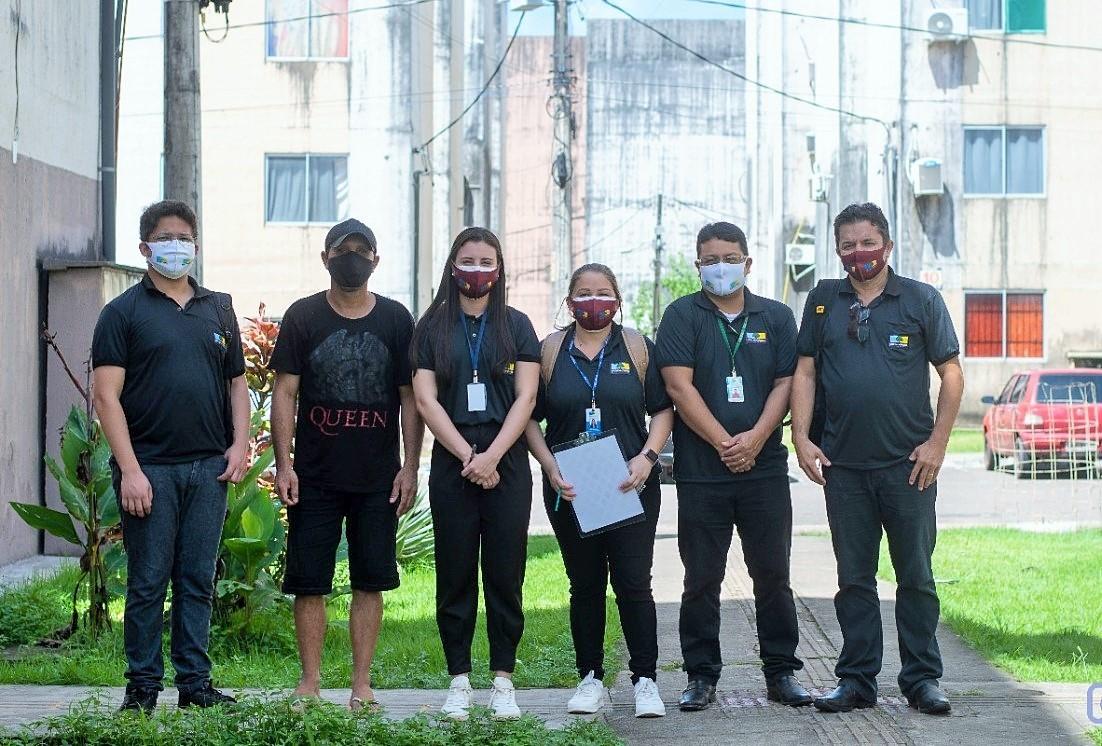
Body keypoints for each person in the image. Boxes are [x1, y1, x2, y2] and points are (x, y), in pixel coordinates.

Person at [790, 202, 963, 716]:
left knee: (915, 577)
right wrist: (801, 437)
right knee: (854, 581)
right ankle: (857, 681)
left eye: (867, 243)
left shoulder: (919, 299)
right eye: (847, 245)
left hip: (909, 467)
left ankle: (922, 680)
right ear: (838, 250)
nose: (858, 253)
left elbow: (951, 375)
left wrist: (937, 444)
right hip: (843, 470)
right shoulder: (822, 300)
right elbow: (805, 372)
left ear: (886, 245)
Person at [91, 200, 247, 713]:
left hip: (210, 468)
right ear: (145, 248)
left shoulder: (218, 307)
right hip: (149, 470)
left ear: (196, 245)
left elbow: (237, 384)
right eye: (166, 237)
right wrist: (131, 471)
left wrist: (240, 443)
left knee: (198, 579)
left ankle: (195, 686)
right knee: (148, 580)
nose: (177, 245)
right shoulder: (121, 313)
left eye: (185, 236)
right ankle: (142, 688)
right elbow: (105, 395)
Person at [654, 221, 812, 712]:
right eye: (709, 259)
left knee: (773, 575)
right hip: (703, 472)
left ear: (748, 261)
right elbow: (679, 388)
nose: (720, 267)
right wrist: (726, 442)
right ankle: (701, 676)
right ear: (697, 264)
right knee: (701, 577)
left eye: (729, 257)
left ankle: (781, 673)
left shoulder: (778, 316)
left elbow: (787, 382)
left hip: (764, 471)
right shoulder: (681, 316)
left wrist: (758, 437)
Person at [270, 218, 423, 711]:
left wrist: (411, 466)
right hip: (314, 474)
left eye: (362, 249)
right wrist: (285, 464)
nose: (352, 257)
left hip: (378, 477)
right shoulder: (302, 317)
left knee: (370, 579)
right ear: (326, 257)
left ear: (376, 260)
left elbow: (410, 400)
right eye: (343, 249)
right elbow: (285, 393)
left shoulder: (398, 321)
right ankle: (310, 682)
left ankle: (362, 684)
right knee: (308, 581)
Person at [524, 263, 674, 718]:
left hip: (630, 483)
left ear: (618, 299)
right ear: (570, 303)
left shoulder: (636, 348)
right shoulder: (550, 350)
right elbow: (528, 416)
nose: (594, 301)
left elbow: (662, 411)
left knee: (634, 584)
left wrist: (647, 459)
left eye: (603, 292)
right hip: (572, 487)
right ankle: (589, 678)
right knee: (584, 585)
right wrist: (548, 466)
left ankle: (645, 680)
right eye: (584, 294)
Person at [410, 227, 540, 721]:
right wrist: (469, 456)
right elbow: (425, 399)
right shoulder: (432, 328)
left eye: (487, 261)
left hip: (506, 461)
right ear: (452, 266)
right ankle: (459, 679)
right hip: (452, 459)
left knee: (507, 573)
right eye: (468, 260)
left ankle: (503, 679)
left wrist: (491, 458)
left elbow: (526, 399)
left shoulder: (517, 325)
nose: (477, 269)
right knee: (456, 573)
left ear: (499, 270)